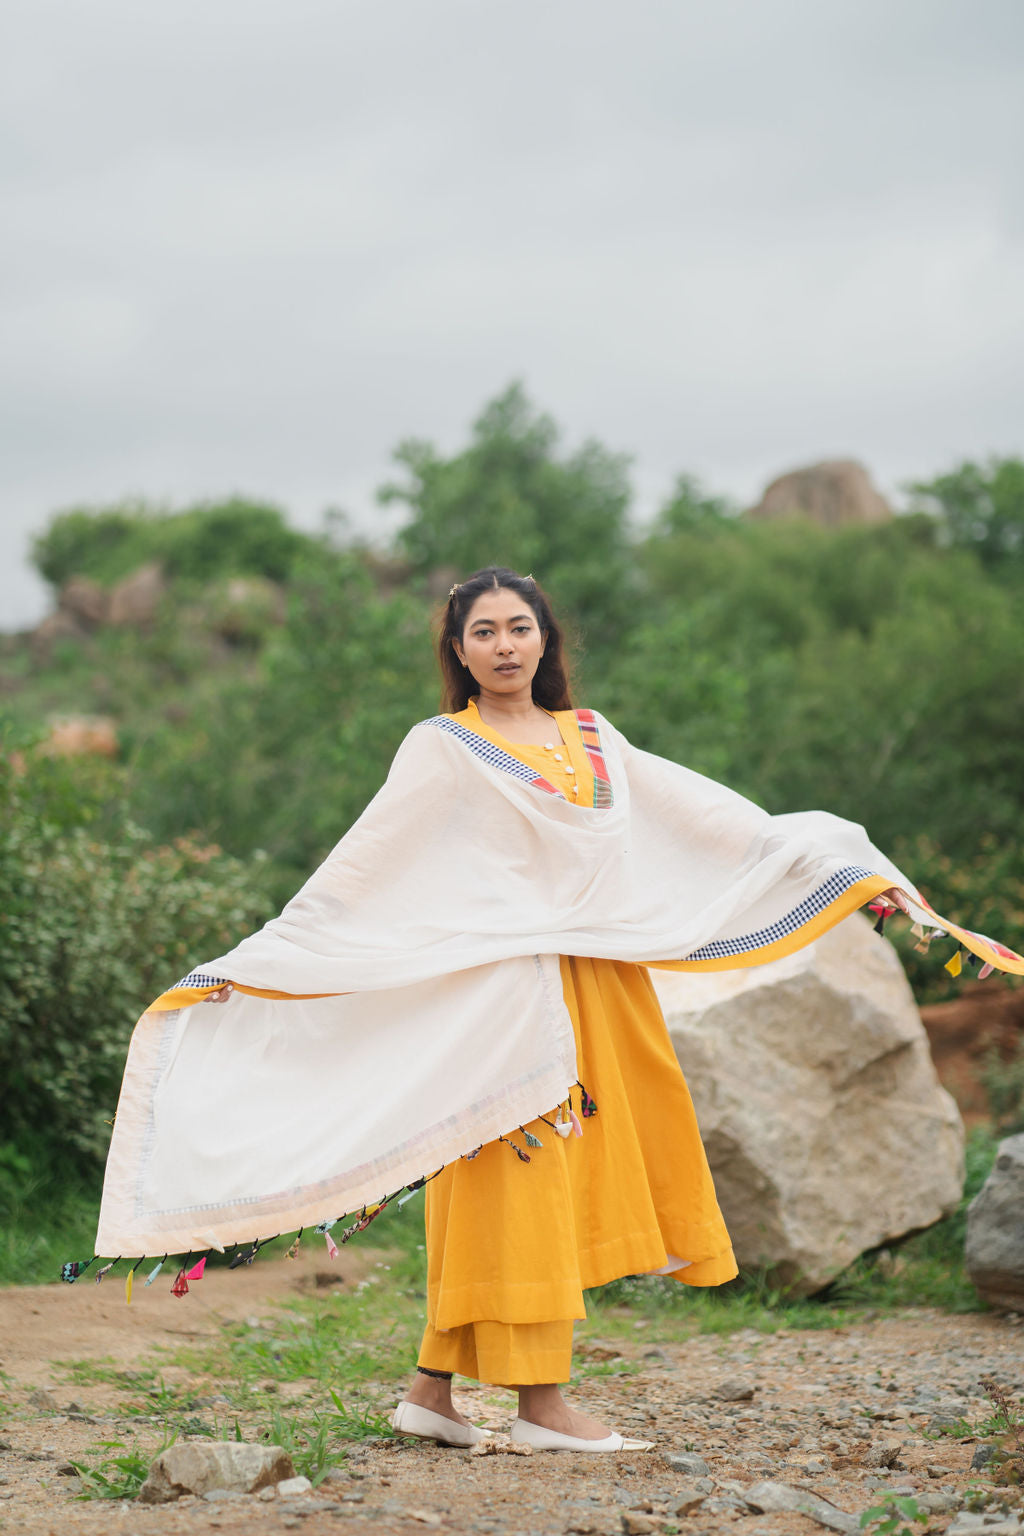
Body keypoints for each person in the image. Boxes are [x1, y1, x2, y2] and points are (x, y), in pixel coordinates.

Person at [92, 566, 1024, 1453]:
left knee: (541, 1185)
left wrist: (831, 865)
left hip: (597, 985)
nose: (504, 646)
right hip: (493, 1001)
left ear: (546, 640)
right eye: (483, 632)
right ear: (459, 649)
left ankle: (433, 1392)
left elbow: (704, 820)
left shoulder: (591, 736)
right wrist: (274, 956)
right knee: (512, 1184)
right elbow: (368, 864)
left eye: (519, 628)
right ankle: (541, 1402)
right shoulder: (443, 746)